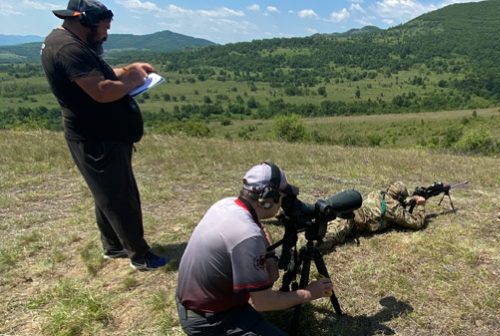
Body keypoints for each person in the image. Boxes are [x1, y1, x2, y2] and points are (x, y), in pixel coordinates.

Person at [41, 0, 166, 270]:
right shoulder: (68, 48)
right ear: (85, 22)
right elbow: (102, 89)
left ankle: (114, 246)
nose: (106, 34)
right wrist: (132, 80)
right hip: (95, 138)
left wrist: (131, 69)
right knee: (121, 197)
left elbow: (99, 73)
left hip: (100, 135)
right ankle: (140, 256)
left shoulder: (70, 41)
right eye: (104, 28)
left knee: (107, 193)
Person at [176, 162, 334, 336]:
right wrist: (309, 293)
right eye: (281, 199)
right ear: (268, 200)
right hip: (212, 320)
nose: (283, 204)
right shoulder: (248, 235)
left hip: (196, 306)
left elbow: (270, 275)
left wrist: (269, 254)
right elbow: (263, 303)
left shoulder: (226, 204)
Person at [320, 181, 427, 251]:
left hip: (349, 210)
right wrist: (421, 206)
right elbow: (417, 223)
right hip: (351, 219)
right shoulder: (394, 208)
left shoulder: (378, 193)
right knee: (329, 238)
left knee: (322, 225)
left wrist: (411, 199)